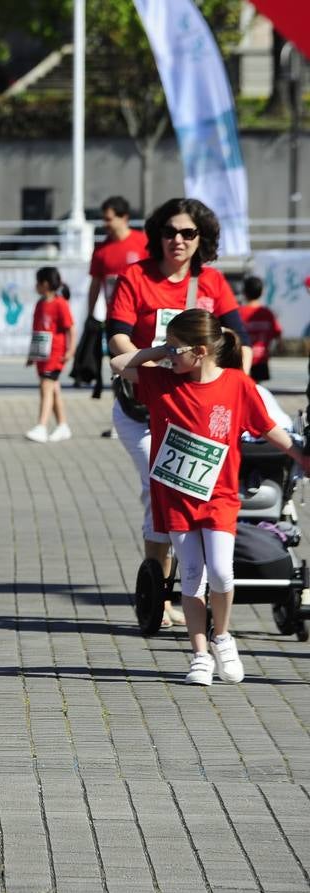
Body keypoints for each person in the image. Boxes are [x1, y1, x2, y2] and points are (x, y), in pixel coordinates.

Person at [112, 310, 307, 685]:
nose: (169, 355)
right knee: (190, 576)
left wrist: (300, 455)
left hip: (218, 496)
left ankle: (223, 637)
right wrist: (156, 350)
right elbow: (119, 363)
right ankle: (199, 654)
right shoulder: (161, 380)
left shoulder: (237, 384)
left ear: (200, 351)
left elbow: (268, 428)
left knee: (220, 571)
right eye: (166, 347)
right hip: (176, 496)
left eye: (176, 348)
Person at [107, 197, 250, 629]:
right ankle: (162, 588)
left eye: (189, 233)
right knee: (161, 491)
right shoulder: (137, 277)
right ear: (158, 236)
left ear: (201, 239)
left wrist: (235, 387)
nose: (178, 240)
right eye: (170, 232)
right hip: (148, 406)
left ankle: (199, 584)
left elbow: (238, 341)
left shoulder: (212, 283)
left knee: (204, 493)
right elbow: (116, 338)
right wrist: (150, 368)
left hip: (205, 411)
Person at [79, 195, 146, 403]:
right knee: (119, 367)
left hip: (143, 317)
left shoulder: (143, 243)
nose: (105, 224)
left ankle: (146, 410)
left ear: (123, 217)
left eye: (109, 219)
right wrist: (90, 315)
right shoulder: (101, 250)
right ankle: (122, 414)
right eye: (104, 219)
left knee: (144, 366)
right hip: (115, 319)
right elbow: (95, 284)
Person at [24, 267, 76, 443]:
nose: (36, 286)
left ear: (45, 284)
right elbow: (37, 330)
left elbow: (70, 328)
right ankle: (62, 425)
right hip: (42, 354)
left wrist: (70, 350)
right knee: (53, 389)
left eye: (38, 282)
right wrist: (32, 355)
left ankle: (42, 425)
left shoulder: (60, 304)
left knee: (46, 387)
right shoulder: (40, 304)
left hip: (55, 353)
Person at [237, 276, 280, 384]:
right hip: (261, 358)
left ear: (244, 292)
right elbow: (277, 333)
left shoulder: (238, 313)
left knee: (243, 385)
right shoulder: (267, 313)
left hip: (242, 357)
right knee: (257, 386)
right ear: (262, 292)